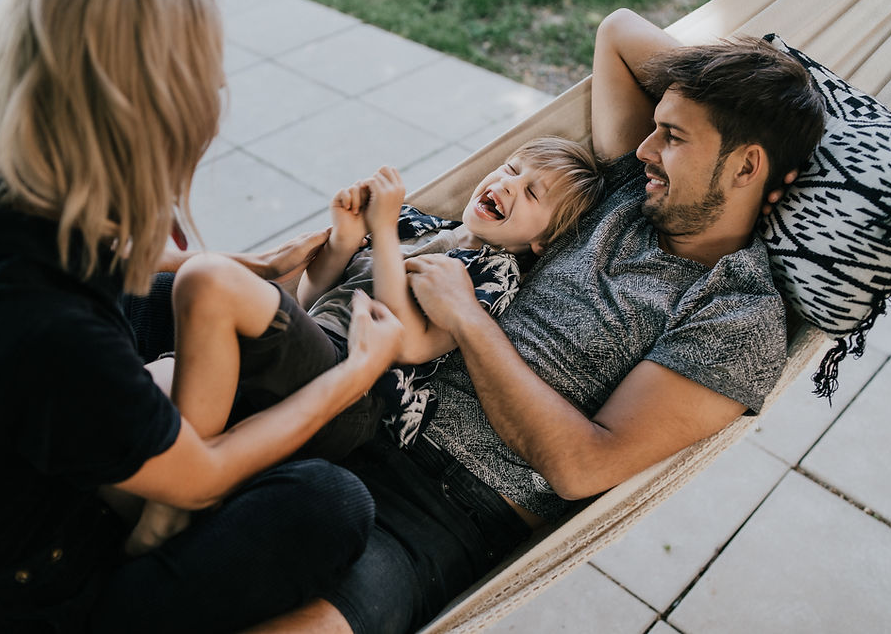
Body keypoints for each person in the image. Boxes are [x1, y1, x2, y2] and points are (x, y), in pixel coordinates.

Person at [248, 8, 826, 634]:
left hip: (448, 509)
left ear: (747, 167)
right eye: (656, 127)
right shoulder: (634, 188)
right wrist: (735, 84)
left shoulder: (738, 315)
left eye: (674, 137)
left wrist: (470, 322)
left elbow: (584, 466)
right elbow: (618, 30)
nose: (643, 148)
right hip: (366, 407)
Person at [0, 0, 404, 633]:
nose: (219, 83)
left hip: (0, 468)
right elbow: (205, 477)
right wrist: (355, 373)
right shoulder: (48, 329)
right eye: (206, 75)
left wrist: (241, 266)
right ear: (150, 114)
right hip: (31, 592)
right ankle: (137, 529)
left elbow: (76, 246)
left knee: (171, 292)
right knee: (329, 502)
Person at [125, 136, 610, 553]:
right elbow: (316, 295)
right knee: (154, 391)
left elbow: (412, 345)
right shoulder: (419, 224)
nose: (507, 184)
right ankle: (163, 494)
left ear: (543, 242)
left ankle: (173, 506)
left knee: (212, 281)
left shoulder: (494, 275)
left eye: (530, 193)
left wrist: (379, 232)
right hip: (313, 347)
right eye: (510, 169)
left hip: (359, 390)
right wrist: (345, 236)